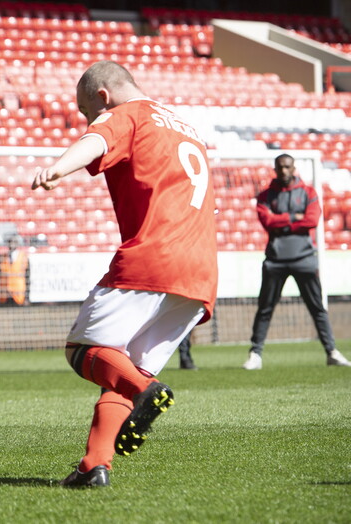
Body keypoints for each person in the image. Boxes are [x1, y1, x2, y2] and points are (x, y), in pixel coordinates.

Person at [30, 61, 218, 487]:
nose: (87, 119)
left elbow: (97, 138)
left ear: (102, 96)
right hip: (201, 270)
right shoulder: (185, 126)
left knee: (82, 349)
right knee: (121, 365)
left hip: (153, 258)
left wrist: (59, 168)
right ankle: (94, 466)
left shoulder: (126, 113)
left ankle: (146, 394)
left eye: (85, 110)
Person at [243, 154, 350, 370]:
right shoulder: (265, 196)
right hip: (275, 260)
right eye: (280, 167)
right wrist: (294, 218)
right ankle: (255, 354)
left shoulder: (308, 192)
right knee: (265, 308)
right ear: (275, 168)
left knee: (317, 307)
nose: (283, 171)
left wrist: (281, 219)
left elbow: (311, 220)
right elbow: (266, 220)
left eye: (287, 167)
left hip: (304, 259)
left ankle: (331, 351)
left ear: (294, 168)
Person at [0, 236, 29, 307]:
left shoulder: (23, 257)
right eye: (10, 242)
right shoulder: (1, 257)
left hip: (18, 295)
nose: (12, 244)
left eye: (14, 242)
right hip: (4, 295)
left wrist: (27, 297)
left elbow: (27, 278)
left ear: (18, 244)